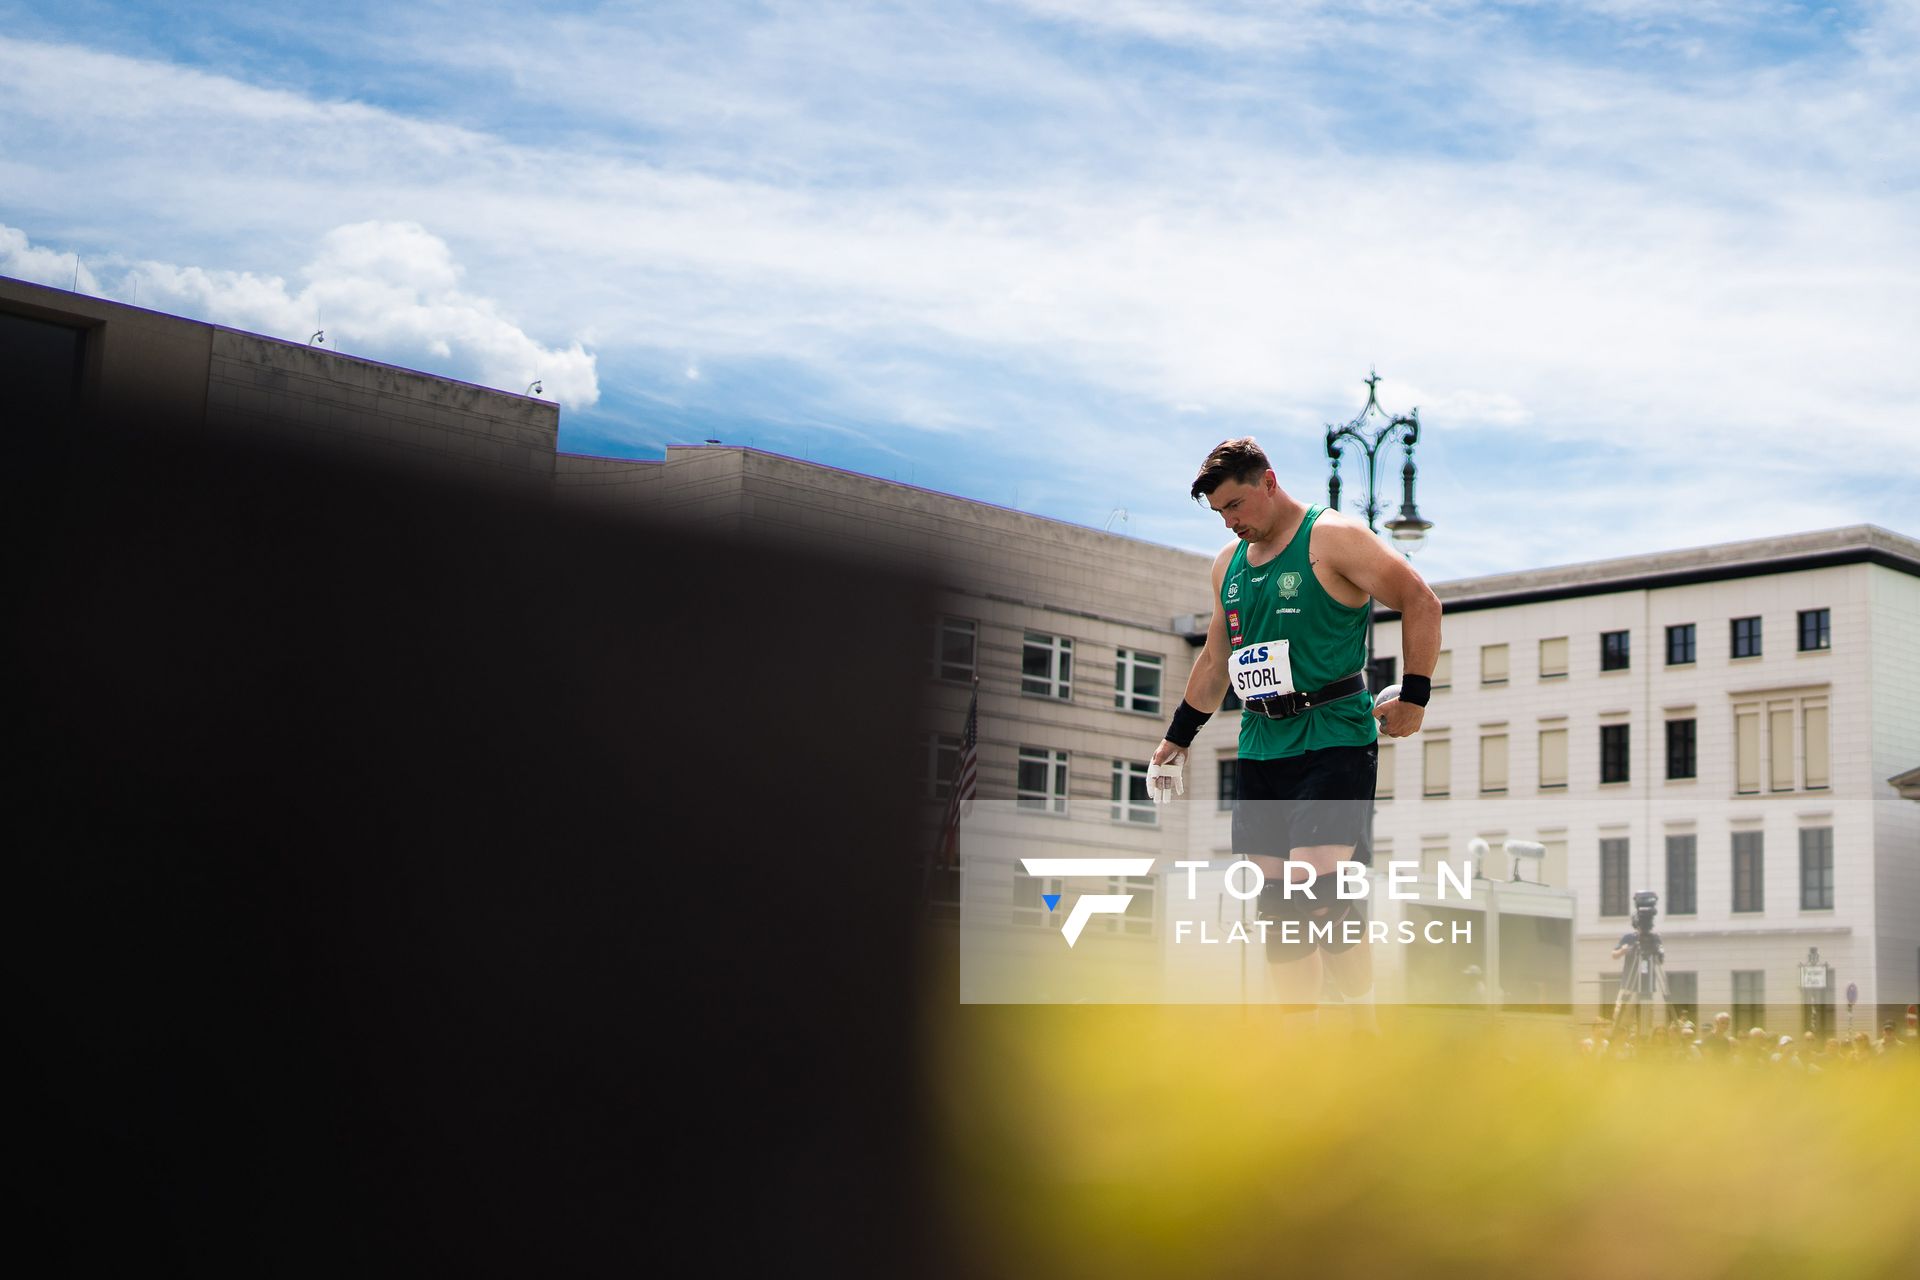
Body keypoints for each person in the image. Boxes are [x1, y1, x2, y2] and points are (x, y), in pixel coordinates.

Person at [1145, 437, 1442, 1008]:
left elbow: (1419, 599)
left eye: (1236, 506)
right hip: (1260, 744)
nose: (1230, 522)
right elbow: (1214, 660)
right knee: (1279, 907)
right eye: (1219, 513)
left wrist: (1415, 695)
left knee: (1318, 884)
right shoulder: (1227, 567)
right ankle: (1299, 1047)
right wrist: (1175, 740)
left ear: (1268, 482)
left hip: (1334, 735)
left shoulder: (1330, 537)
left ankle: (1363, 1004)